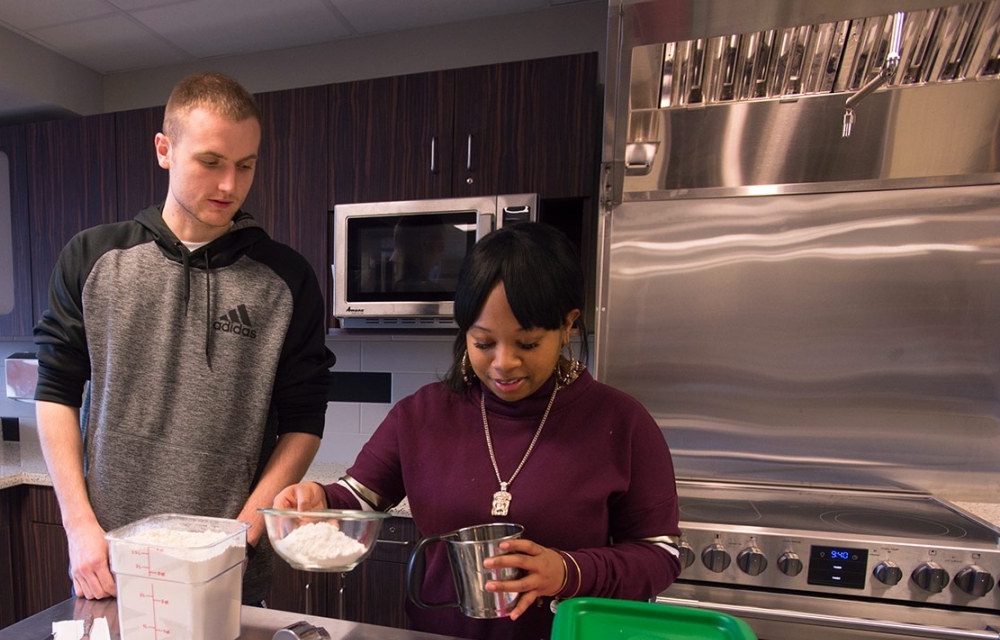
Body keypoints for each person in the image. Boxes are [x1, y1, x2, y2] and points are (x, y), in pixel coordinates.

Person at [275, 223, 681, 639]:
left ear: (567, 326)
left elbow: (661, 555)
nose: (504, 363)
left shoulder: (621, 422)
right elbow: (359, 498)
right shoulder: (422, 414)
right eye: (484, 342)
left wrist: (567, 571)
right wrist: (319, 499)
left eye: (527, 344)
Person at [33, 71, 335, 606]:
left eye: (246, 166)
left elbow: (304, 420)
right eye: (211, 162)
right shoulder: (93, 259)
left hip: (228, 575)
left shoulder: (287, 280)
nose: (230, 186)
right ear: (164, 150)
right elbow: (55, 391)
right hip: (110, 563)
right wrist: (78, 527)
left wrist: (240, 536)